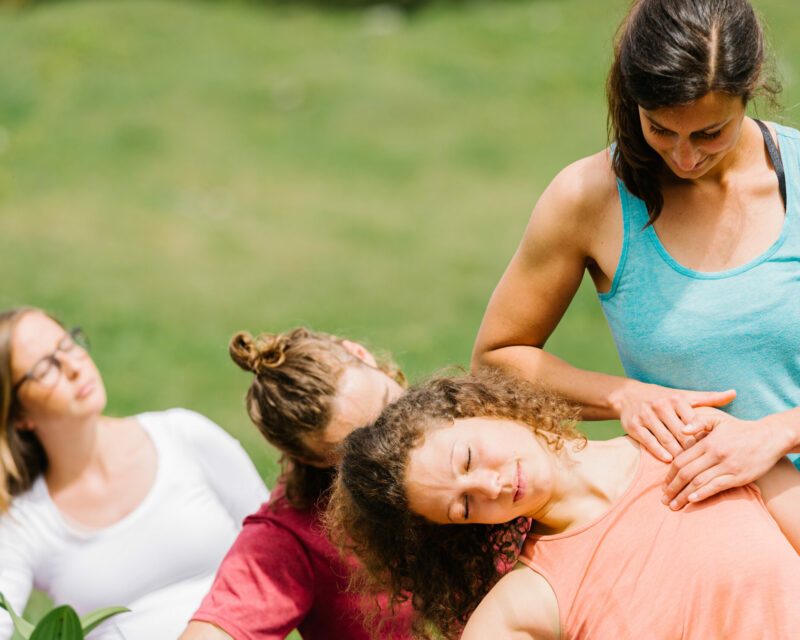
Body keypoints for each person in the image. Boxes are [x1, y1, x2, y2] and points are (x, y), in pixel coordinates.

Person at [472, 0, 800, 510]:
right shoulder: (588, 198)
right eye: (661, 129)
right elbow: (496, 362)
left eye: (710, 132)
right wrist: (623, 397)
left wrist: (777, 433)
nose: (685, 157)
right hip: (706, 539)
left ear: (751, 84)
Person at [329, 372, 800, 640]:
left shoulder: (688, 442)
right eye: (464, 506)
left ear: (475, 410)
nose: (490, 486)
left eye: (467, 458)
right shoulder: (523, 604)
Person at [0, 308, 269, 639]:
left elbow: (280, 549)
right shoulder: (26, 523)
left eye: (67, 345)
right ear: (18, 415)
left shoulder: (185, 436)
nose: (73, 366)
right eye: (44, 368)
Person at [180, 328, 413, 640]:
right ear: (316, 459)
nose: (401, 443)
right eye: (363, 448)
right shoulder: (292, 538)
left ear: (361, 353)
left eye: (390, 404)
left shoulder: (467, 419)